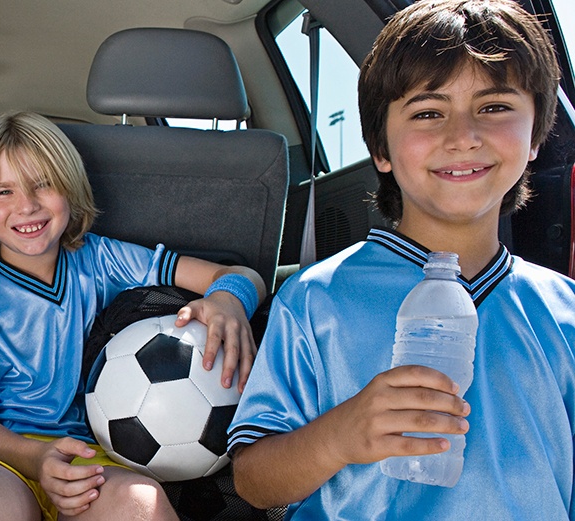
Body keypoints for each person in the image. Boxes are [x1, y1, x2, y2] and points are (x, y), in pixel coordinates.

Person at [227, 0, 573, 518]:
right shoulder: (316, 297)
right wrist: (338, 436)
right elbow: (254, 481)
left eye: (494, 107)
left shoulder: (565, 309)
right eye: (428, 113)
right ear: (380, 148)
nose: (463, 137)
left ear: (536, 139)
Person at [0, 111, 266, 521]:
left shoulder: (103, 259)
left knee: (142, 503)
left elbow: (241, 277)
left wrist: (229, 299)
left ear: (70, 186)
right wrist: (36, 458)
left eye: (43, 184)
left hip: (88, 457)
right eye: (2, 192)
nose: (26, 205)